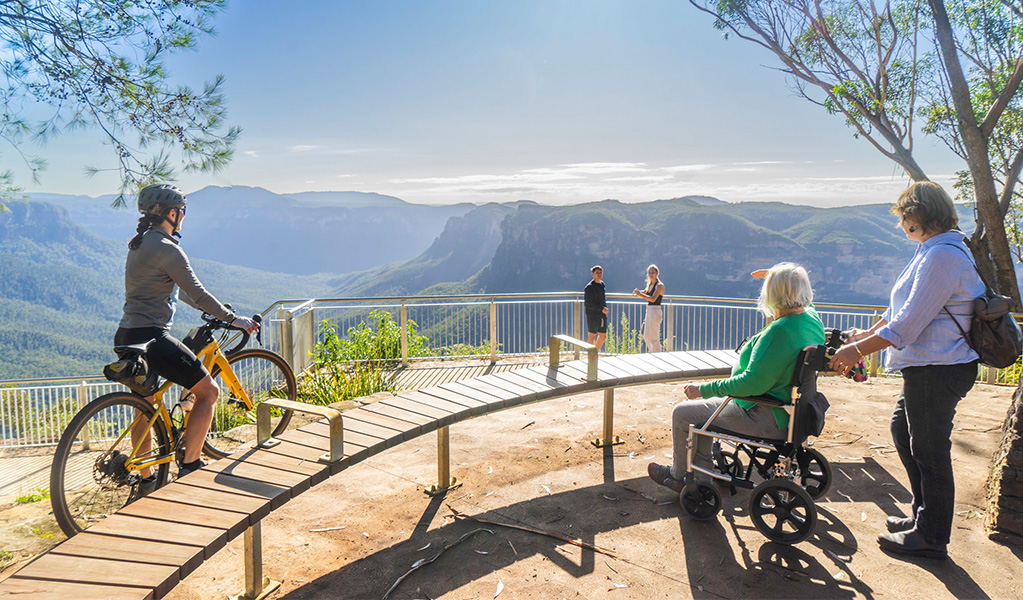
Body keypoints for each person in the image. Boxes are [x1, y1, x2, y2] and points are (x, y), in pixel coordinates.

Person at [829, 181, 983, 560]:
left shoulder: (942, 256)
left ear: (917, 217)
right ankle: (922, 516)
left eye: (904, 218)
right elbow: (899, 311)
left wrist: (855, 350)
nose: (901, 225)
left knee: (930, 451)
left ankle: (931, 537)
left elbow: (906, 327)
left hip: (940, 367)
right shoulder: (931, 251)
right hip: (928, 366)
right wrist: (867, 332)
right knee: (904, 432)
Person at [116, 184, 258, 492]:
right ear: (171, 214)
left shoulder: (140, 244)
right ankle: (191, 465)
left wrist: (214, 311)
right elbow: (199, 293)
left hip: (126, 336)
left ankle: (147, 479)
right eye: (182, 212)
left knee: (147, 405)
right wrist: (234, 319)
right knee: (209, 391)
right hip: (153, 338)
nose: (183, 217)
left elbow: (179, 292)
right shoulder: (169, 249)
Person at [648, 263, 825, 492]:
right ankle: (702, 475)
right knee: (701, 414)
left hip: (763, 413)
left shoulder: (779, 332)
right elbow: (805, 303)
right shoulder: (811, 319)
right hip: (792, 413)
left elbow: (749, 383)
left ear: (774, 294)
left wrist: (702, 389)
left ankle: (680, 476)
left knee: (683, 413)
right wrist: (776, 277)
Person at [633, 264, 664, 352]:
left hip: (655, 310)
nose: (651, 275)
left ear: (657, 273)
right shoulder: (651, 285)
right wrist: (637, 292)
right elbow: (645, 293)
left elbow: (653, 299)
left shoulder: (659, 285)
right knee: (647, 337)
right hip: (649, 310)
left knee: (654, 338)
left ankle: (658, 356)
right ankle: (652, 353)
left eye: (652, 273)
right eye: (649, 273)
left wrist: (640, 294)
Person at [584, 265, 609, 352]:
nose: (599, 274)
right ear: (592, 274)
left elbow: (603, 299)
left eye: (600, 272)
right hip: (592, 315)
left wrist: (604, 309)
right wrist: (601, 309)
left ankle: (594, 353)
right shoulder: (589, 287)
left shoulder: (602, 285)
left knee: (603, 336)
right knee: (592, 336)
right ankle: (590, 356)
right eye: (597, 272)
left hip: (602, 314)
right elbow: (588, 303)